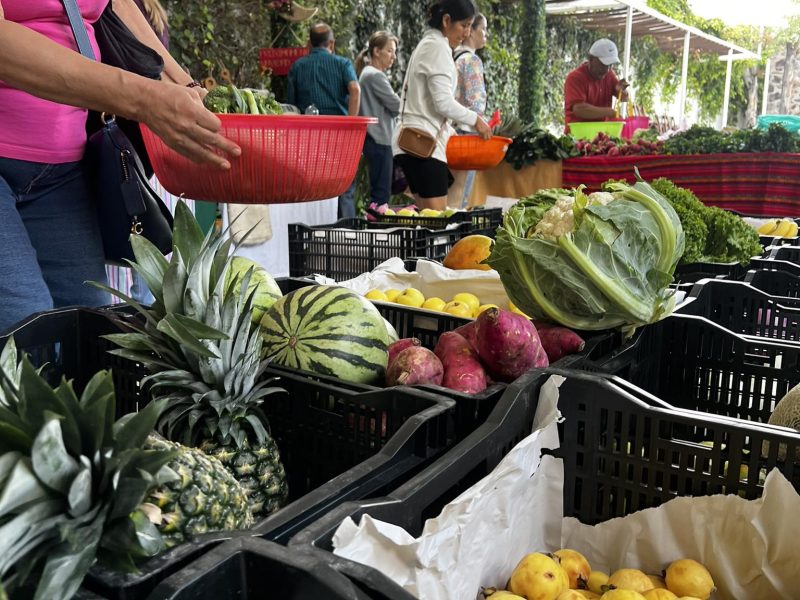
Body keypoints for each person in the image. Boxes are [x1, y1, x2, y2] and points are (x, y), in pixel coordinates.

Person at [0, 0, 239, 333]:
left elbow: (118, 8)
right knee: (24, 330)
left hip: (63, 169)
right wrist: (145, 99)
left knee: (90, 328)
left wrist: (190, 93)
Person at [393, 0, 492, 211]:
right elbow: (443, 103)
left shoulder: (430, 44)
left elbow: (431, 102)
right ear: (446, 20)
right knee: (436, 223)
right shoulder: (437, 48)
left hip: (413, 142)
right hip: (423, 145)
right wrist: (477, 121)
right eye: (464, 25)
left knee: (426, 221)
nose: (466, 32)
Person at [288, 22, 361, 219]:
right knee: (344, 186)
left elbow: (291, 106)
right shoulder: (342, 63)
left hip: (309, 135)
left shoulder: (297, 66)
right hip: (338, 132)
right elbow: (355, 89)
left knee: (312, 187)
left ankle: (313, 231)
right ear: (332, 43)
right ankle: (347, 234)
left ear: (309, 44)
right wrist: (351, 124)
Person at [355, 31, 401, 208]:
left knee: (379, 190)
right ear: (376, 51)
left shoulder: (367, 73)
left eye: (394, 52)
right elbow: (397, 106)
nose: (393, 57)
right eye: (389, 51)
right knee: (381, 194)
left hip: (374, 139)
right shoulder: (375, 76)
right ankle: (379, 229)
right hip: (380, 139)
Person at [449, 12, 488, 208]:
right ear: (471, 30)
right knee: (460, 198)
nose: (485, 34)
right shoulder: (472, 60)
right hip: (467, 132)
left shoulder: (454, 56)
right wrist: (483, 122)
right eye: (482, 29)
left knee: (451, 193)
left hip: (452, 130)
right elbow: (476, 102)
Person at [564, 38, 629, 133]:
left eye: (610, 65)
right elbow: (579, 109)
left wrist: (623, 91)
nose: (606, 70)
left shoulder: (609, 74)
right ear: (591, 59)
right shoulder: (575, 78)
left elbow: (624, 98)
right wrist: (609, 112)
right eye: (603, 64)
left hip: (602, 137)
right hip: (577, 138)